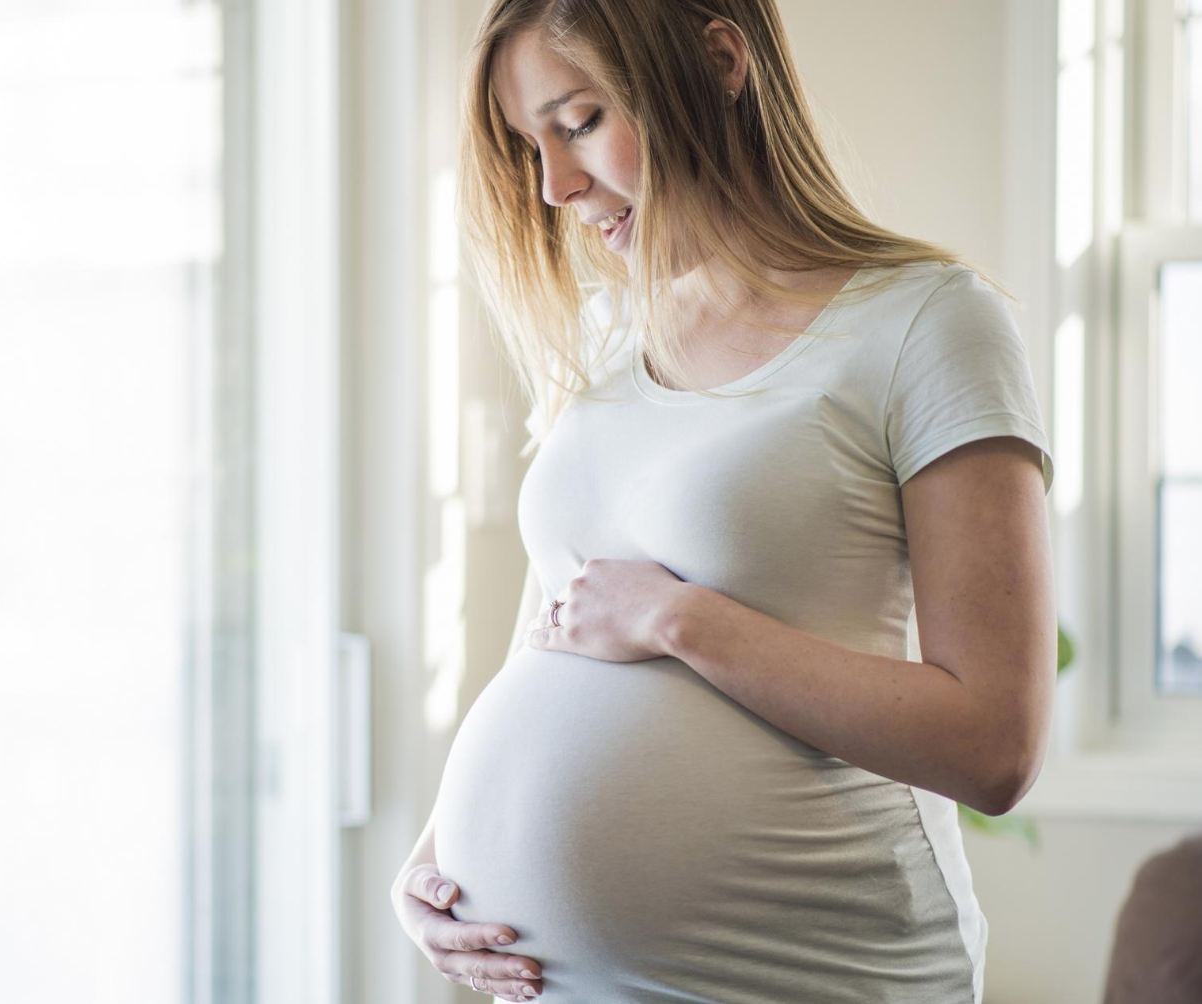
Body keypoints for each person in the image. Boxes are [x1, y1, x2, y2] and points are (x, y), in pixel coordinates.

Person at [390, 1, 1057, 1001]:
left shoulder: (926, 321)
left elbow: (995, 743)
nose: (555, 185)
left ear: (717, 62)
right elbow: (559, 628)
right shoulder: (606, 341)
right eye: (530, 144)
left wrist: (681, 617)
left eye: (576, 122)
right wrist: (434, 858)